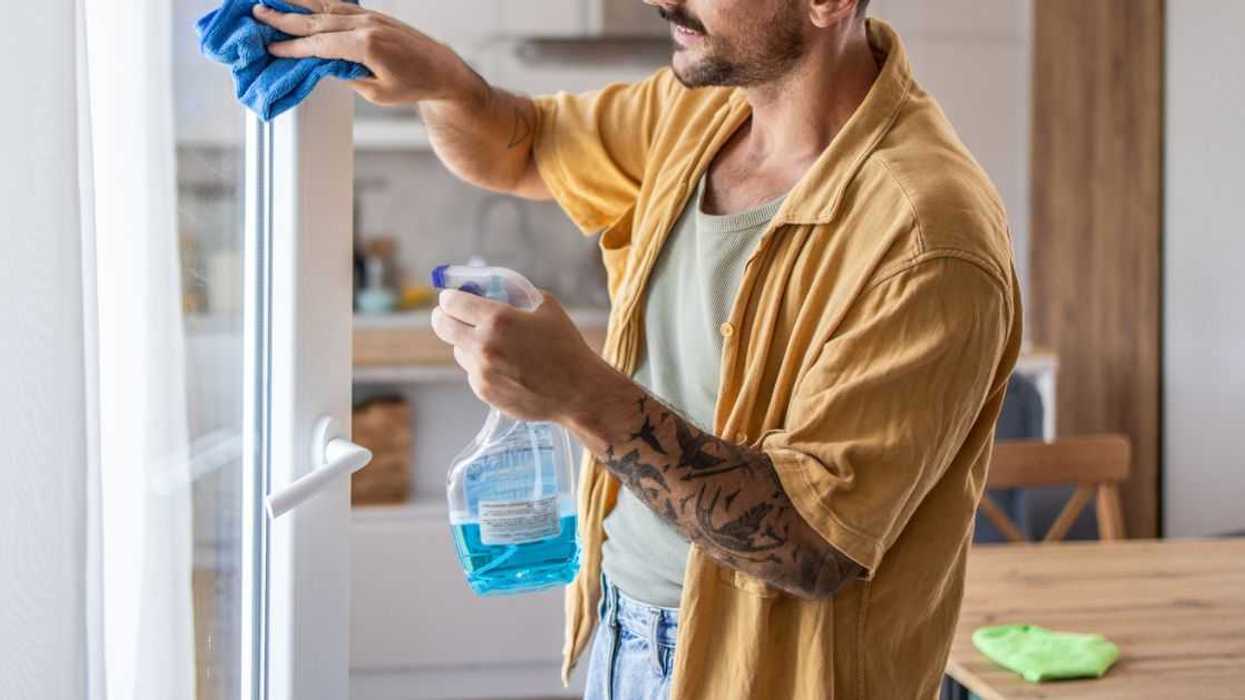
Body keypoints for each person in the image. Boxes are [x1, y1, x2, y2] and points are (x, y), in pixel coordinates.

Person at [254, 0, 1021, 697]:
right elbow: (517, 144)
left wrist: (581, 395)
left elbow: (812, 547)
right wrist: (445, 83)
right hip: (624, 628)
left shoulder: (925, 239)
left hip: (771, 675)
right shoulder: (697, 112)